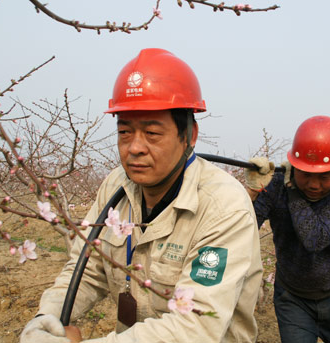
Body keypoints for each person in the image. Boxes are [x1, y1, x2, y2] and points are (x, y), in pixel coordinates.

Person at [20, 48, 263, 343]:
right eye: (124, 132)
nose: (134, 147)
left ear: (190, 135)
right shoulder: (116, 186)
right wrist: (46, 318)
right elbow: (87, 267)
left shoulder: (224, 207)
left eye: (152, 133)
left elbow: (196, 328)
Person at [244, 115, 330, 343]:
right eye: (305, 175)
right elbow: (244, 229)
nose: (313, 185)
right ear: (294, 166)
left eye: (325, 177)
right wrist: (250, 192)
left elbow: (315, 238)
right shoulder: (277, 183)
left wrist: (293, 189)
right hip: (292, 298)